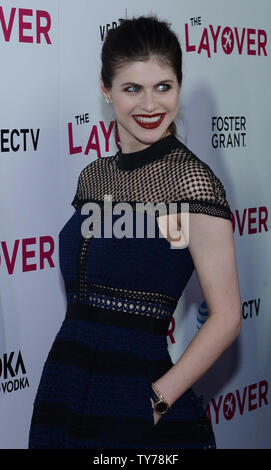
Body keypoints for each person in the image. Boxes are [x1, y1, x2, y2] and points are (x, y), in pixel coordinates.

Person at [28, 15, 242, 449]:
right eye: (132, 88)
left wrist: (156, 401)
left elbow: (227, 316)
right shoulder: (94, 177)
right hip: (64, 389)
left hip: (137, 404)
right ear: (106, 90)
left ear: (179, 87)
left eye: (163, 86)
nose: (150, 105)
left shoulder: (192, 183)